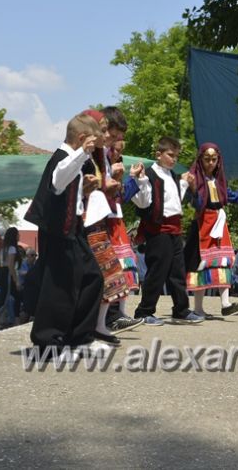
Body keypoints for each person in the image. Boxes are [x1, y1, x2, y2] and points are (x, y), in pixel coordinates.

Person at [24, 113, 109, 355]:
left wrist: (86, 188)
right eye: (92, 141)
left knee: (93, 277)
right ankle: (47, 343)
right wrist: (83, 152)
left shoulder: (74, 161)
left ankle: (79, 338)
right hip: (56, 231)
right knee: (59, 286)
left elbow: (68, 192)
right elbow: (59, 180)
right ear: (82, 139)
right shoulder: (63, 157)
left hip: (73, 229)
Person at [79, 109, 139, 344]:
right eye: (106, 133)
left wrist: (116, 182)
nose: (111, 140)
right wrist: (106, 182)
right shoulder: (84, 155)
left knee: (110, 273)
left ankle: (101, 325)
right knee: (98, 275)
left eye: (112, 136)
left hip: (102, 219)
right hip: (89, 221)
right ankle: (90, 329)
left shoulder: (102, 156)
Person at [131, 136, 204, 325]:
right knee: (157, 270)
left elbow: (175, 199)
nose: (174, 159)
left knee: (178, 271)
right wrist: (140, 181)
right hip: (158, 228)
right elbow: (144, 202)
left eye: (176, 156)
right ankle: (144, 311)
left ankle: (181, 309)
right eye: (170, 155)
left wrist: (186, 182)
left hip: (175, 228)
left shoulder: (173, 176)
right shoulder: (149, 174)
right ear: (159, 154)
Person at [184, 142, 238, 318]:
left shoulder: (219, 182)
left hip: (219, 224)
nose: (210, 163)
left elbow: (232, 196)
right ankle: (198, 308)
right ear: (200, 160)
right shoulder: (194, 180)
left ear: (218, 161)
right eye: (207, 159)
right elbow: (194, 202)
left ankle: (225, 303)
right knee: (201, 265)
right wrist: (193, 189)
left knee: (223, 261)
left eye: (214, 159)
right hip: (202, 226)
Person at [0, 227, 22, 329]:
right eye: (18, 234)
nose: (19, 236)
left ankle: (17, 321)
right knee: (4, 300)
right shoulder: (12, 248)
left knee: (17, 296)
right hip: (7, 274)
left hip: (2, 272)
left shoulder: (4, 248)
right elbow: (10, 265)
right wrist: (16, 280)